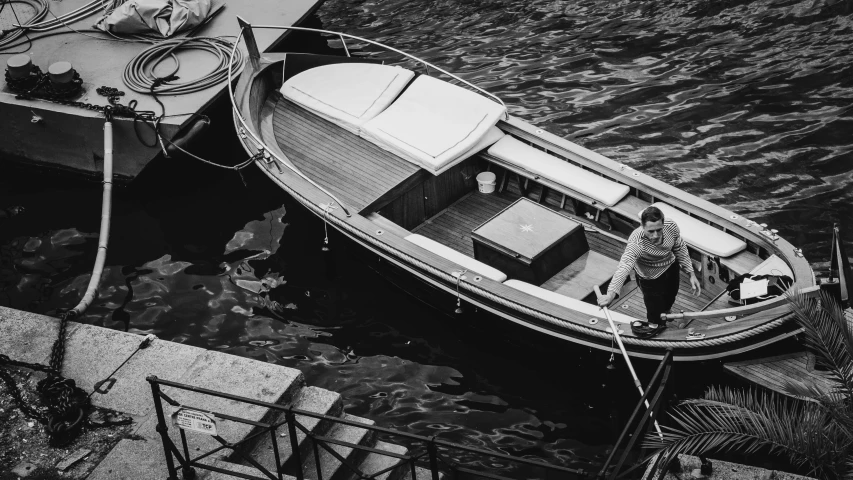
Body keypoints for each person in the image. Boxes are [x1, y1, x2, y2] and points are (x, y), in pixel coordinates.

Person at [597, 206, 701, 338]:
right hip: (649, 278)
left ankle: (666, 311)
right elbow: (624, 266)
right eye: (651, 231)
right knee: (655, 313)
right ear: (642, 226)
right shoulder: (636, 241)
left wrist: (691, 273)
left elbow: (679, 247)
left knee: (671, 295)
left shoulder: (671, 226)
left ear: (663, 224)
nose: (655, 235)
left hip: (671, 267)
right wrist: (611, 294)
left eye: (659, 230)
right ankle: (658, 335)